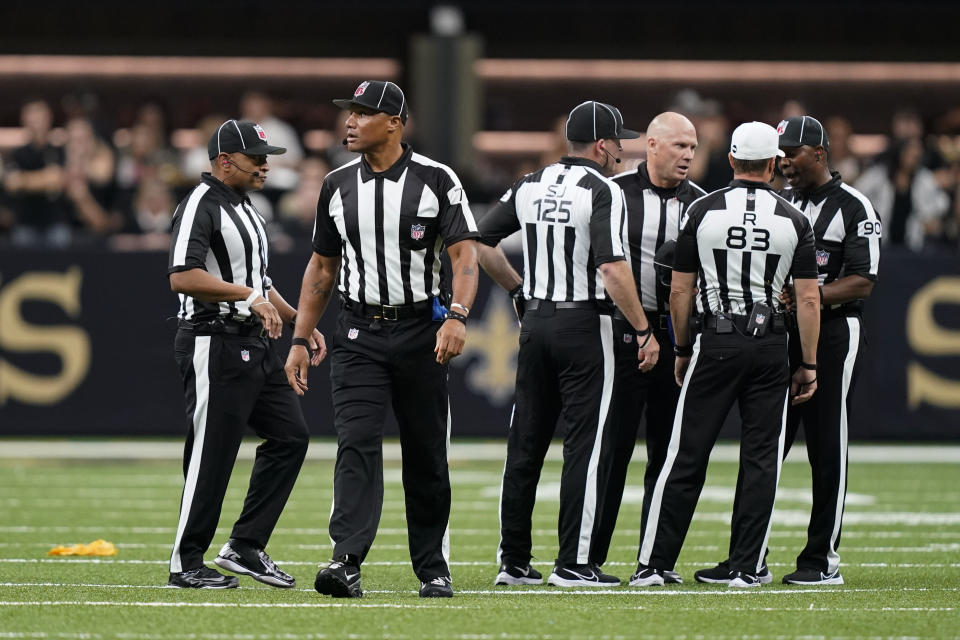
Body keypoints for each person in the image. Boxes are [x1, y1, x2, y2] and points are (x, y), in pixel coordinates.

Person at [285, 80, 480, 599]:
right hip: (357, 332)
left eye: (363, 113)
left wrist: (457, 315)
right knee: (356, 443)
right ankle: (346, 560)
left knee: (425, 452)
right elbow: (322, 269)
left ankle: (433, 566)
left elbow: (465, 256)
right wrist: (300, 339)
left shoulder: (436, 180)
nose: (349, 122)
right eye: (348, 113)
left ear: (395, 122)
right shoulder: (336, 184)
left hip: (421, 330)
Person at [477, 100, 660, 588]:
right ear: (601, 145)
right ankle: (573, 563)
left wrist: (517, 289)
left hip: (536, 323)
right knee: (586, 446)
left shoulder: (530, 183)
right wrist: (643, 329)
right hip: (586, 326)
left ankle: (513, 561)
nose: (622, 149)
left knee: (526, 444)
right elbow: (612, 268)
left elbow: (478, 243)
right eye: (619, 140)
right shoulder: (604, 190)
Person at [630, 121, 820, 588]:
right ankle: (747, 566)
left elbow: (680, 290)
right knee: (760, 459)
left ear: (731, 160)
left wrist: (681, 346)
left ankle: (654, 563)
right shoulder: (795, 220)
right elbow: (810, 299)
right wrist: (809, 362)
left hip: (714, 340)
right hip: (770, 344)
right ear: (774, 164)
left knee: (685, 453)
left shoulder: (702, 209)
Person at [694, 116, 881, 586]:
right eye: (779, 154)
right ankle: (746, 557)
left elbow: (863, 279)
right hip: (778, 335)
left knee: (826, 446)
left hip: (834, 333)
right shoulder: (782, 202)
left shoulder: (854, 207)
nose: (783, 162)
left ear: (819, 153)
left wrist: (806, 294)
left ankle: (822, 559)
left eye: (791, 153)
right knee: (764, 449)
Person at [166, 119, 323, 589]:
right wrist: (246, 297)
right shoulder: (199, 203)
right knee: (212, 453)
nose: (265, 165)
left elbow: (260, 281)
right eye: (255, 157)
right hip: (213, 339)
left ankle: (245, 545)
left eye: (265, 156)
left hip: (252, 342)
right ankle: (185, 562)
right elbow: (183, 275)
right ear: (223, 161)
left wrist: (299, 321)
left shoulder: (248, 207)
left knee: (291, 437)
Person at [592, 112, 706, 584]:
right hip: (623, 335)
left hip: (679, 338)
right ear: (652, 144)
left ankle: (654, 562)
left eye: (693, 148)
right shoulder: (615, 193)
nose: (688, 156)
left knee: (668, 452)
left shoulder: (702, 203)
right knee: (611, 450)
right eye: (679, 146)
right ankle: (586, 558)